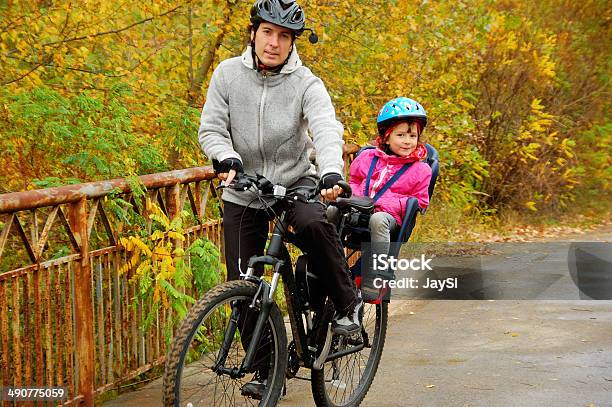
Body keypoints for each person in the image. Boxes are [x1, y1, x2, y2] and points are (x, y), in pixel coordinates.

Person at [198, 0, 362, 399]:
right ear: (253, 32)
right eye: (268, 32)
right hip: (245, 187)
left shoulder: (306, 83)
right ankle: (267, 368)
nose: (274, 42)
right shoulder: (227, 74)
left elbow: (325, 127)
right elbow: (211, 130)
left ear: (292, 42)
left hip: (294, 183)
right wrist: (225, 156)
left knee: (312, 224)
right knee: (243, 284)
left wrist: (330, 172)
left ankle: (347, 306)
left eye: (284, 36)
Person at [349, 97, 433, 258]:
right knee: (332, 211)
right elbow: (354, 181)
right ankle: (327, 262)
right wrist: (357, 199)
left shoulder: (421, 170)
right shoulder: (367, 157)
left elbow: (420, 202)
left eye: (412, 136)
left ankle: (377, 272)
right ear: (386, 137)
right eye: (401, 135)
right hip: (358, 212)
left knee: (378, 219)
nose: (407, 141)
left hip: (389, 220)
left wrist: (381, 204)